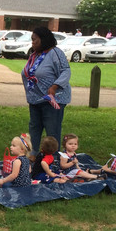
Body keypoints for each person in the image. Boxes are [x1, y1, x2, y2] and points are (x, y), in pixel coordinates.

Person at [22, 27, 71, 157]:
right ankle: (33, 155)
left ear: (43, 39)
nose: (32, 42)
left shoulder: (55, 53)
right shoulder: (34, 55)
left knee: (52, 131)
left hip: (53, 100)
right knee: (34, 129)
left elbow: (66, 71)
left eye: (35, 40)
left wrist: (55, 86)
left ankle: (53, 159)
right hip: (35, 99)